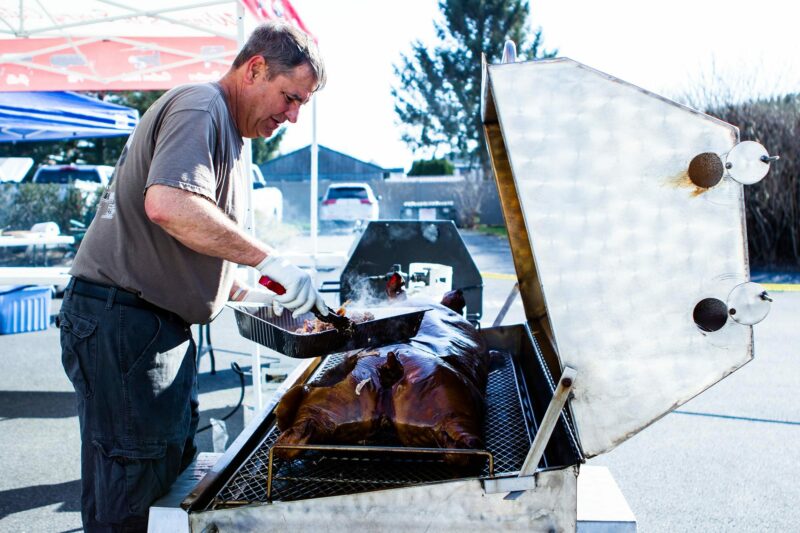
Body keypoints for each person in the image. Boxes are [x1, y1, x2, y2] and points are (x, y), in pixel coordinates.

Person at [58, 21, 326, 532]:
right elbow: (169, 205)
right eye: (290, 97)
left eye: (300, 106)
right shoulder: (202, 105)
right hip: (125, 324)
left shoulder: (232, 136)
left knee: (162, 480)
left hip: (152, 328)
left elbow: (196, 244)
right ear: (255, 68)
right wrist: (268, 259)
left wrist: (253, 291)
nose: (292, 116)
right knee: (132, 496)